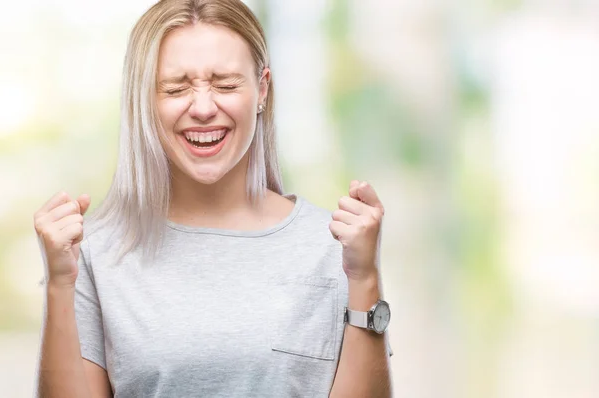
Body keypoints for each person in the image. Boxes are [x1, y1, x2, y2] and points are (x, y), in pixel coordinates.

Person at [33, 0, 392, 397]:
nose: (203, 108)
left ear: (262, 89)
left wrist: (365, 278)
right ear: (146, 100)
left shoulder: (332, 247)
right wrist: (58, 285)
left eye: (225, 84)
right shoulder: (95, 254)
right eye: (176, 87)